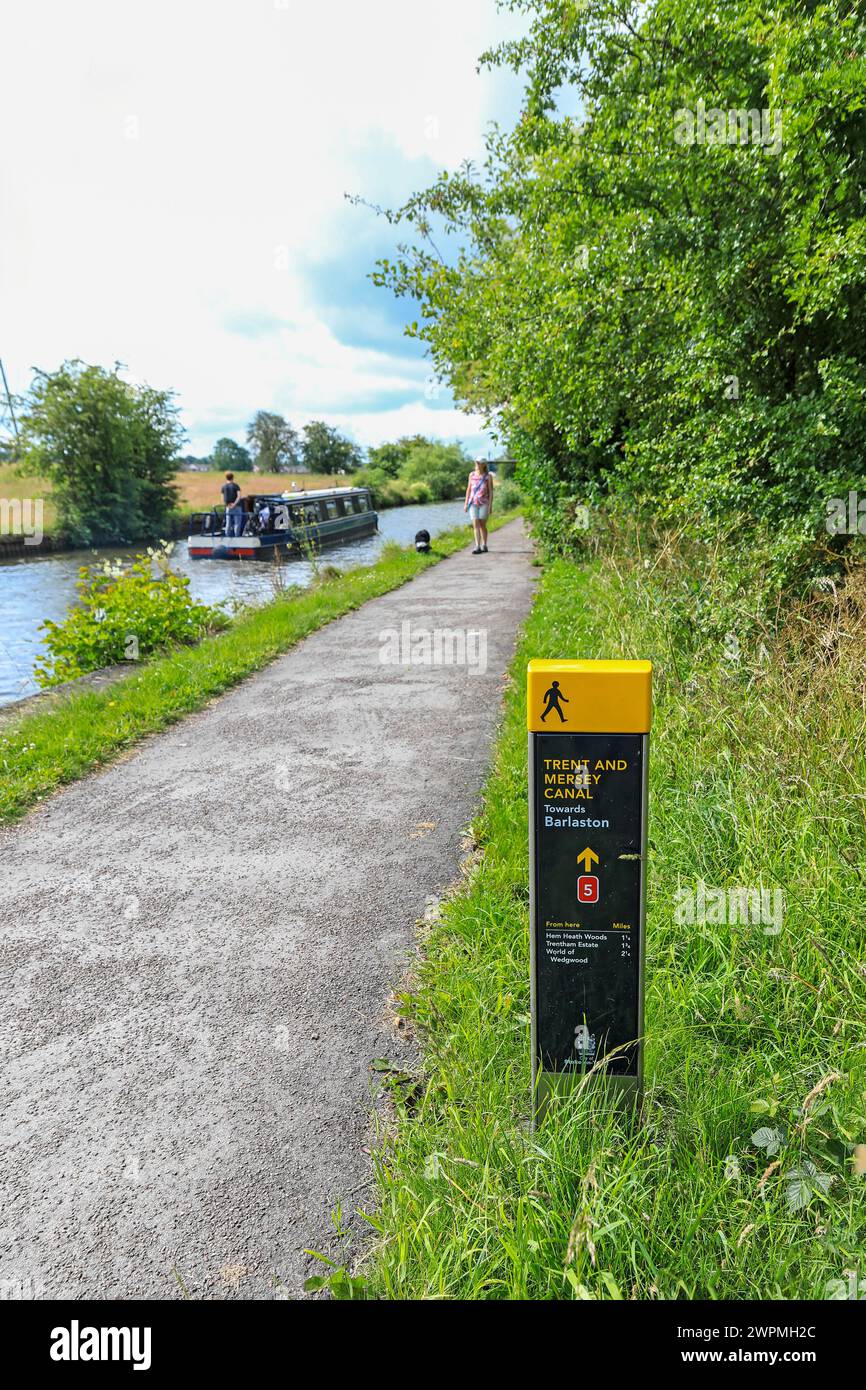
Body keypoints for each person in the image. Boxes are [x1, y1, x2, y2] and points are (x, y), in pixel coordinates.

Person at [464, 459, 493, 554]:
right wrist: (465, 503)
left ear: (484, 465)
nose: (477, 464)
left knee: (482, 524)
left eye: (479, 463)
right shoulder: (471, 475)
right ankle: (477, 546)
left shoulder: (488, 476)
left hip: (484, 503)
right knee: (475, 524)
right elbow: (468, 489)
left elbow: (491, 492)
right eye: (476, 462)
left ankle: (484, 545)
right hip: (473, 503)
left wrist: (490, 506)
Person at [221, 472, 244, 538]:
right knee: (237, 523)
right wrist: (234, 504)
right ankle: (237, 537)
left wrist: (227, 505)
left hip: (228, 507)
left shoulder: (224, 487)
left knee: (228, 523)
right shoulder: (236, 486)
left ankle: (227, 536)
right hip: (237, 506)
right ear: (233, 477)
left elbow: (222, 498)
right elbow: (239, 496)